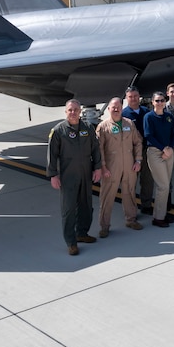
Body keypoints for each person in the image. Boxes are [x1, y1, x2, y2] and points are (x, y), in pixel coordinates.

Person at [47, 99, 105, 255]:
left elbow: (95, 149)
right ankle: (71, 242)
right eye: (70, 110)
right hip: (68, 175)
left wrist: (97, 168)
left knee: (86, 206)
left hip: (86, 173)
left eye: (76, 110)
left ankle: (82, 233)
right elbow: (52, 155)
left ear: (80, 112)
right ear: (66, 112)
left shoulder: (87, 128)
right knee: (69, 209)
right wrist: (53, 174)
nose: (73, 113)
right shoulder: (59, 131)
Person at [97, 97, 143, 238]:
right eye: (113, 107)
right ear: (108, 109)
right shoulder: (103, 127)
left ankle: (131, 220)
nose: (116, 109)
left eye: (118, 107)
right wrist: (103, 167)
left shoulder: (129, 123)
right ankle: (104, 226)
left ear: (122, 108)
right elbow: (99, 150)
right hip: (111, 167)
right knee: (107, 196)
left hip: (129, 165)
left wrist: (138, 161)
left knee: (129, 192)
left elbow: (138, 142)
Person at [143, 91, 174, 227]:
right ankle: (158, 218)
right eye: (157, 100)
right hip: (155, 152)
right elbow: (148, 135)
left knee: (166, 185)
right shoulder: (149, 117)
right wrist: (164, 148)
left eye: (162, 100)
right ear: (152, 102)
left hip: (169, 151)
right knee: (162, 186)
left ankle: (161, 213)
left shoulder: (169, 116)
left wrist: (170, 148)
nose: (160, 103)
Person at [122, 87, 153, 214]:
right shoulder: (124, 115)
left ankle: (146, 205)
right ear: (126, 98)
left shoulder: (146, 112)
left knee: (147, 180)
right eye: (130, 96)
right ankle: (131, 207)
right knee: (131, 182)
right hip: (131, 153)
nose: (133, 99)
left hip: (145, 151)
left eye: (135, 96)